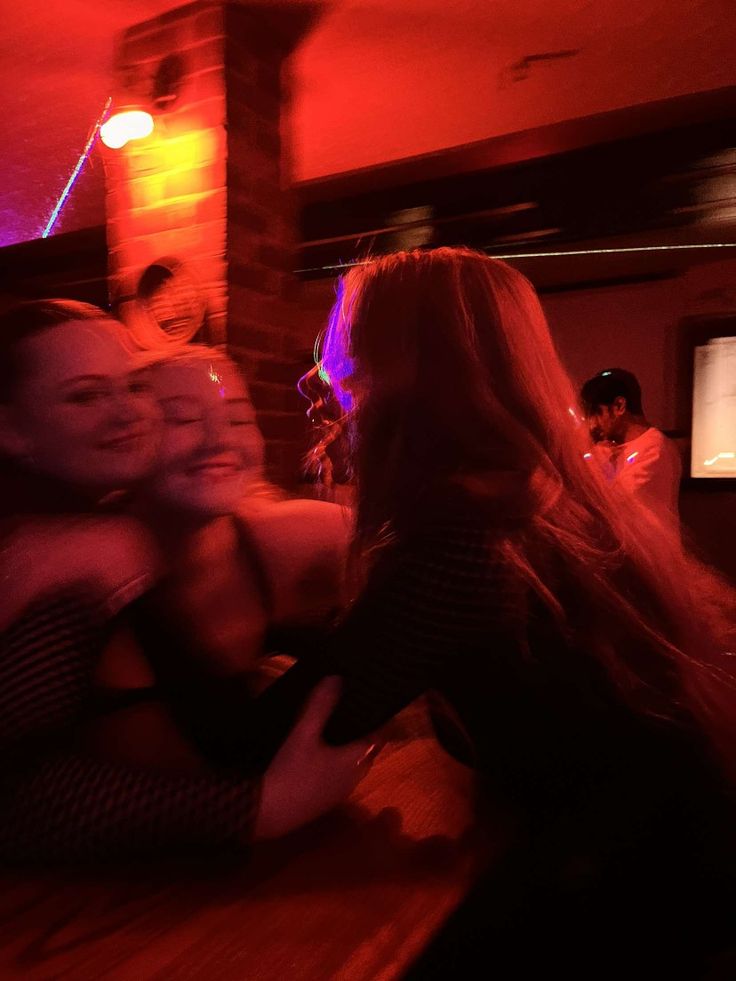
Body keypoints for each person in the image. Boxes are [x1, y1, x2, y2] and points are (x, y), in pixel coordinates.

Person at [255, 249, 736, 975]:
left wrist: (171, 598)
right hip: (680, 873)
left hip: (639, 909)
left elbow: (283, 728)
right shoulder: (538, 502)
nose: (317, 379)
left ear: (409, 370)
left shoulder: (466, 537)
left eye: (344, 355)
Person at [0, 300, 371, 863]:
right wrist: (261, 809)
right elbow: (11, 797)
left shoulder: (91, 533)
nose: (127, 414)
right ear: (12, 431)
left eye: (133, 386)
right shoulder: (67, 552)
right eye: (84, 395)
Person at [580, 367, 682, 523]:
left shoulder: (655, 448)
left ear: (619, 406)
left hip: (649, 547)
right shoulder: (614, 448)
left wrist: (599, 462)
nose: (592, 424)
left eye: (595, 413)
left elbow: (611, 506)